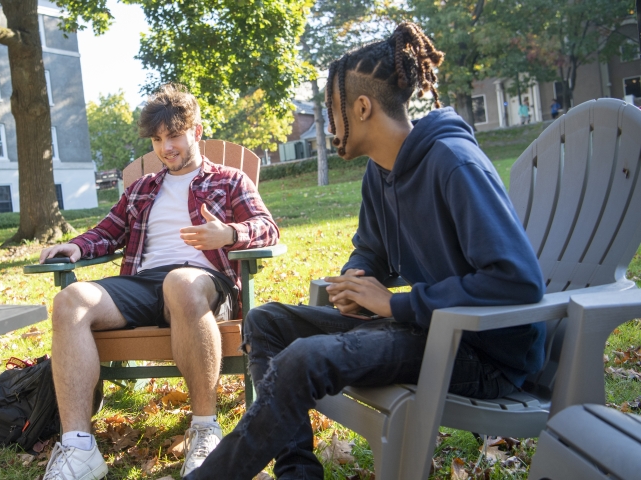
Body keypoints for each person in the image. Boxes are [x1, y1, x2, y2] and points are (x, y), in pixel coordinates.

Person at [184, 22, 545, 480]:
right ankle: (298, 472)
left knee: (304, 358)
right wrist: (355, 280)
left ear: (362, 106)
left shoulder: (454, 163)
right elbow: (370, 250)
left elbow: (517, 280)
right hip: (425, 329)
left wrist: (395, 303)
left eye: (333, 112)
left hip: (482, 354)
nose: (331, 127)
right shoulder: (380, 172)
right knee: (267, 322)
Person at [37, 83, 279, 480]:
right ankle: (79, 448)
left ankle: (204, 430)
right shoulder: (141, 188)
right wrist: (77, 247)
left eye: (175, 136)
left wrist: (230, 234)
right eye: (157, 139)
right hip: (144, 283)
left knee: (181, 282)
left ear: (196, 132)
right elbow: (108, 231)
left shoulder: (230, 181)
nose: (166, 148)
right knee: (71, 300)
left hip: (203, 283)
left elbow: (268, 228)